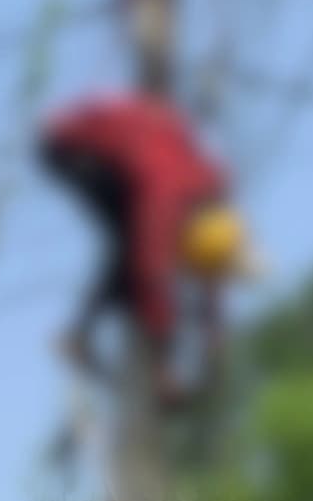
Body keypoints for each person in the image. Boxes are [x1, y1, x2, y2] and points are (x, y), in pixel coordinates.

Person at [39, 91, 246, 409]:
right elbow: (149, 272)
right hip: (66, 143)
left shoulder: (212, 198)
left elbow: (211, 270)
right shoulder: (161, 201)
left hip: (131, 144)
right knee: (128, 247)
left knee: (133, 251)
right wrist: (165, 368)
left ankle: (81, 334)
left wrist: (213, 339)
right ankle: (78, 337)